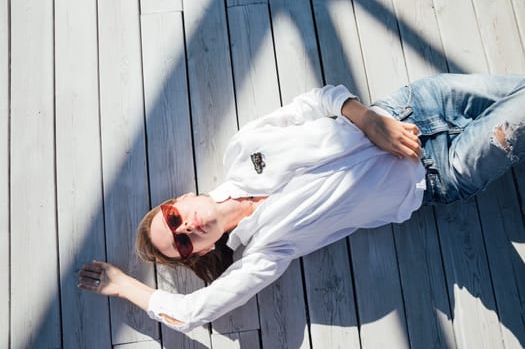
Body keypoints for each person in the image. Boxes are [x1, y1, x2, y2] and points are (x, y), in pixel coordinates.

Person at [78, 73, 525, 332]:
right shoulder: (265, 253)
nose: (184, 227)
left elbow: (317, 101)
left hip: (413, 106)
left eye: (173, 217)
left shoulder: (242, 148)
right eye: (180, 243)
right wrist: (122, 285)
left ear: (182, 198)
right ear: (199, 252)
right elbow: (190, 313)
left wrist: (369, 120)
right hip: (440, 172)